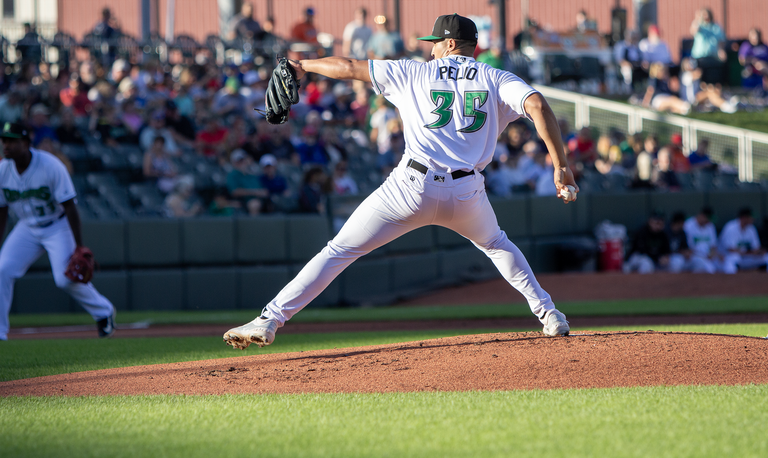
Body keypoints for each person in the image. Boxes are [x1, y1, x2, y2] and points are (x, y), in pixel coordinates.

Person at [223, 14, 576, 350]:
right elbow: (538, 105)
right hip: (467, 191)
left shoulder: (412, 72)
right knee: (498, 245)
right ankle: (550, 315)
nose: (432, 47)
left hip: (412, 186)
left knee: (339, 251)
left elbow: (347, 67)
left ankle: (269, 320)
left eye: (437, 42)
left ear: (451, 44)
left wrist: (304, 66)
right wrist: (560, 165)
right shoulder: (496, 78)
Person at [0, 123, 116, 340]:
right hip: (27, 227)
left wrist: (79, 244)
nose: (5, 145)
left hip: (57, 225)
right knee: (3, 270)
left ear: (26, 143)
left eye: (11, 140)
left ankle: (104, 311)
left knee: (64, 279)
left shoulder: (51, 166)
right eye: (4, 140)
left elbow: (70, 207)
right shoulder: (1, 171)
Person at [719, 207, 768, 274]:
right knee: (733, 257)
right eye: (751, 217)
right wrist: (750, 252)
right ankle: (730, 281)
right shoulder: (730, 227)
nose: (753, 219)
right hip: (727, 258)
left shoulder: (751, 228)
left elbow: (756, 247)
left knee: (766, 257)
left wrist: (760, 251)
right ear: (744, 218)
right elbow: (731, 249)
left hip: (746, 257)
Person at [690, 8, 727, 84]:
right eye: (703, 15)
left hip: (712, 57)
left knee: (713, 78)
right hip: (699, 57)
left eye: (706, 14)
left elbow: (721, 41)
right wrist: (698, 19)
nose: (705, 16)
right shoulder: (699, 25)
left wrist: (721, 51)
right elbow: (693, 31)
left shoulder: (716, 26)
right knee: (700, 78)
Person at [683, 206, 719, 274]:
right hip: (694, 257)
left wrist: (711, 254)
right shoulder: (688, 225)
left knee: (720, 266)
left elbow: (713, 246)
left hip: (708, 257)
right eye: (707, 218)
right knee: (703, 267)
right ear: (702, 215)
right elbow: (686, 247)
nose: (708, 221)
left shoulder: (710, 226)